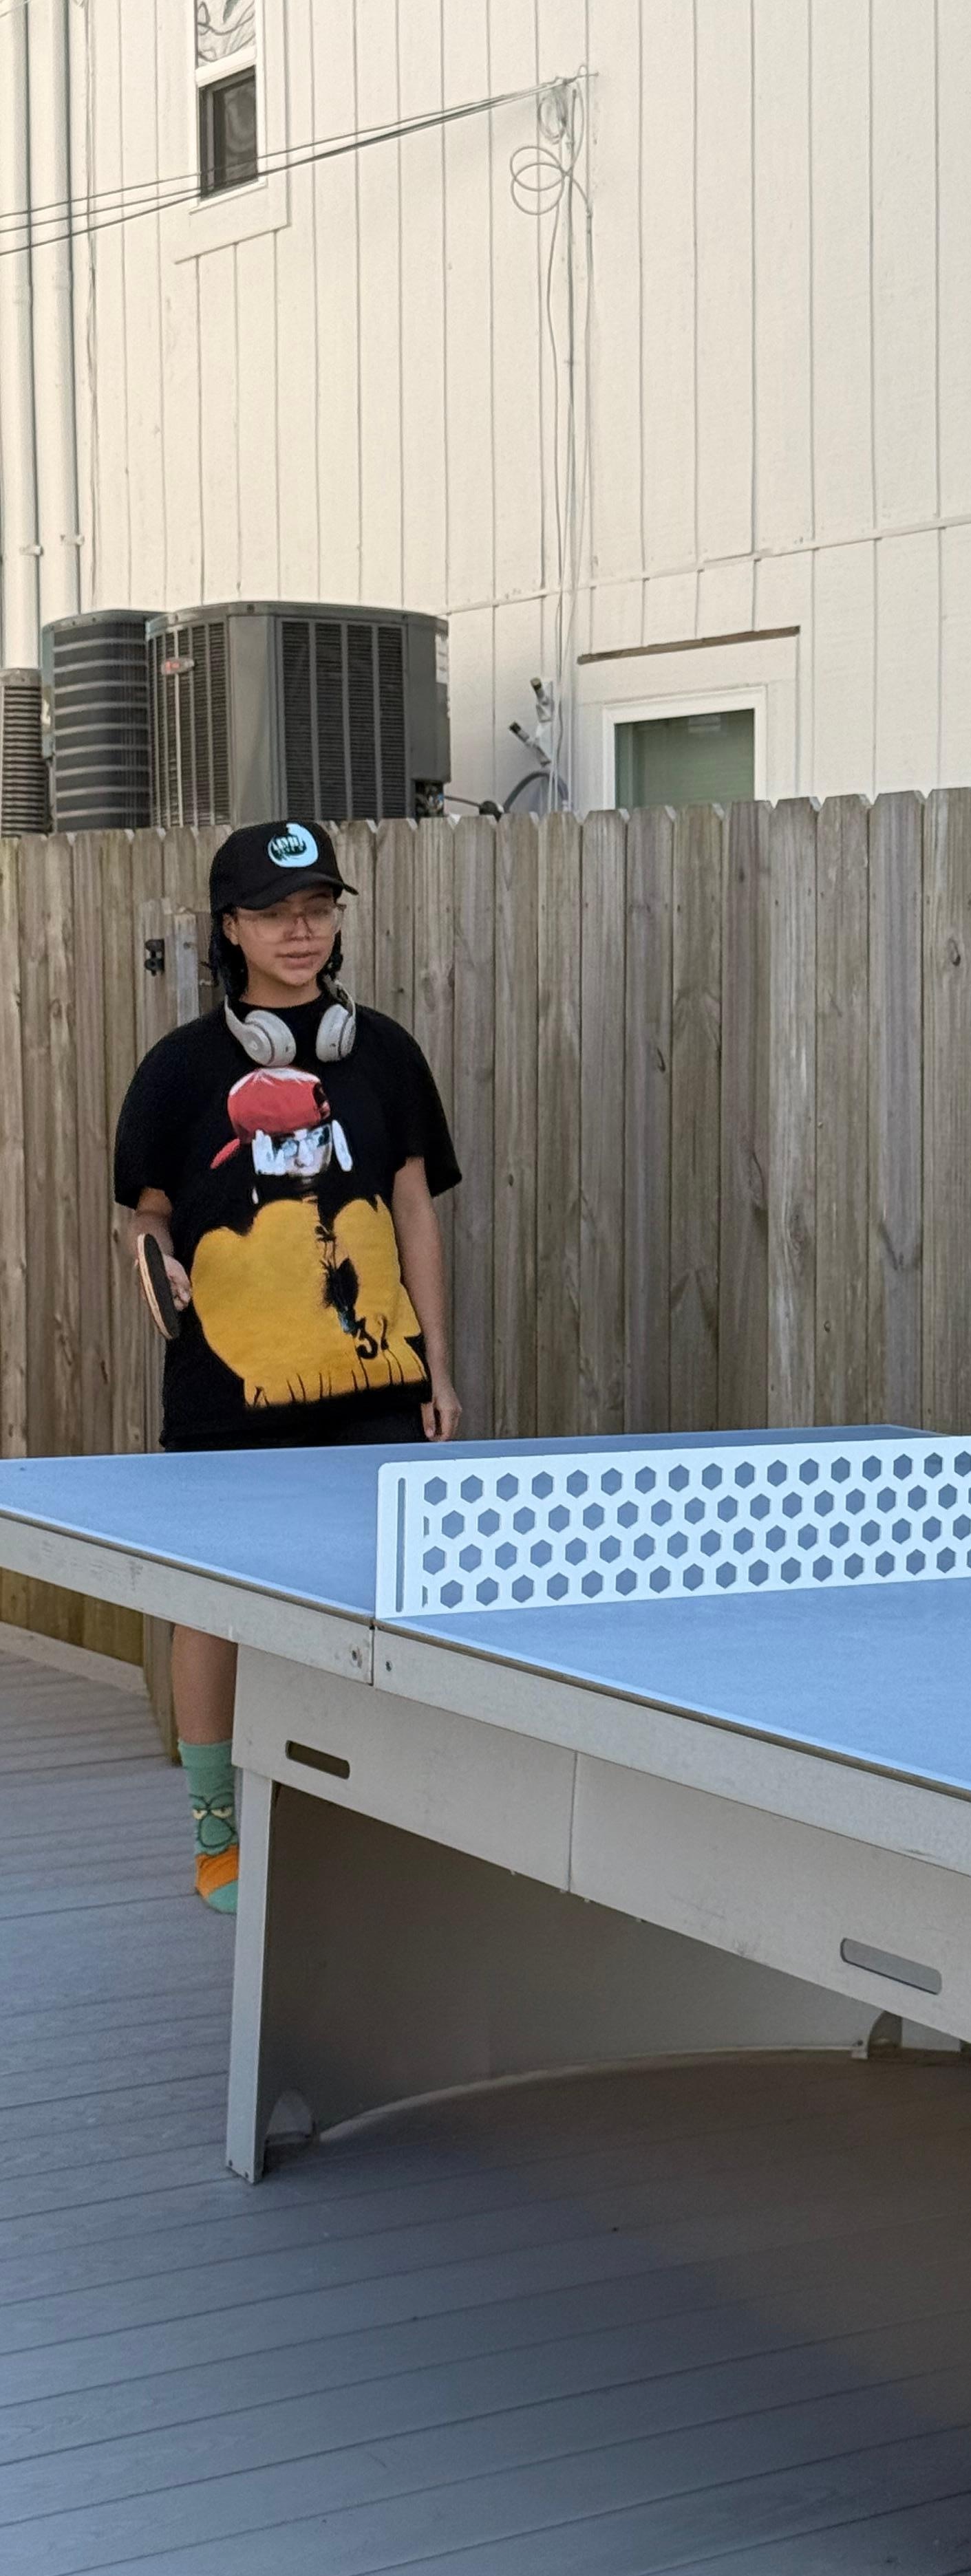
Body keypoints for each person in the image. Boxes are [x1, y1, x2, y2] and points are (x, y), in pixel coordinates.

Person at [114, 820, 463, 1914]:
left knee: (373, 1604)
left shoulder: (387, 1054)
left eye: (318, 907)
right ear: (231, 928)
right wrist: (157, 1267)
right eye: (274, 911)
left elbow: (414, 1213)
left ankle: (368, 1815)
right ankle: (216, 1835)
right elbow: (148, 1220)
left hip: (375, 1383)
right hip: (229, 1392)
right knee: (210, 1603)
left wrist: (438, 1375)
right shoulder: (178, 1072)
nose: (301, 930)